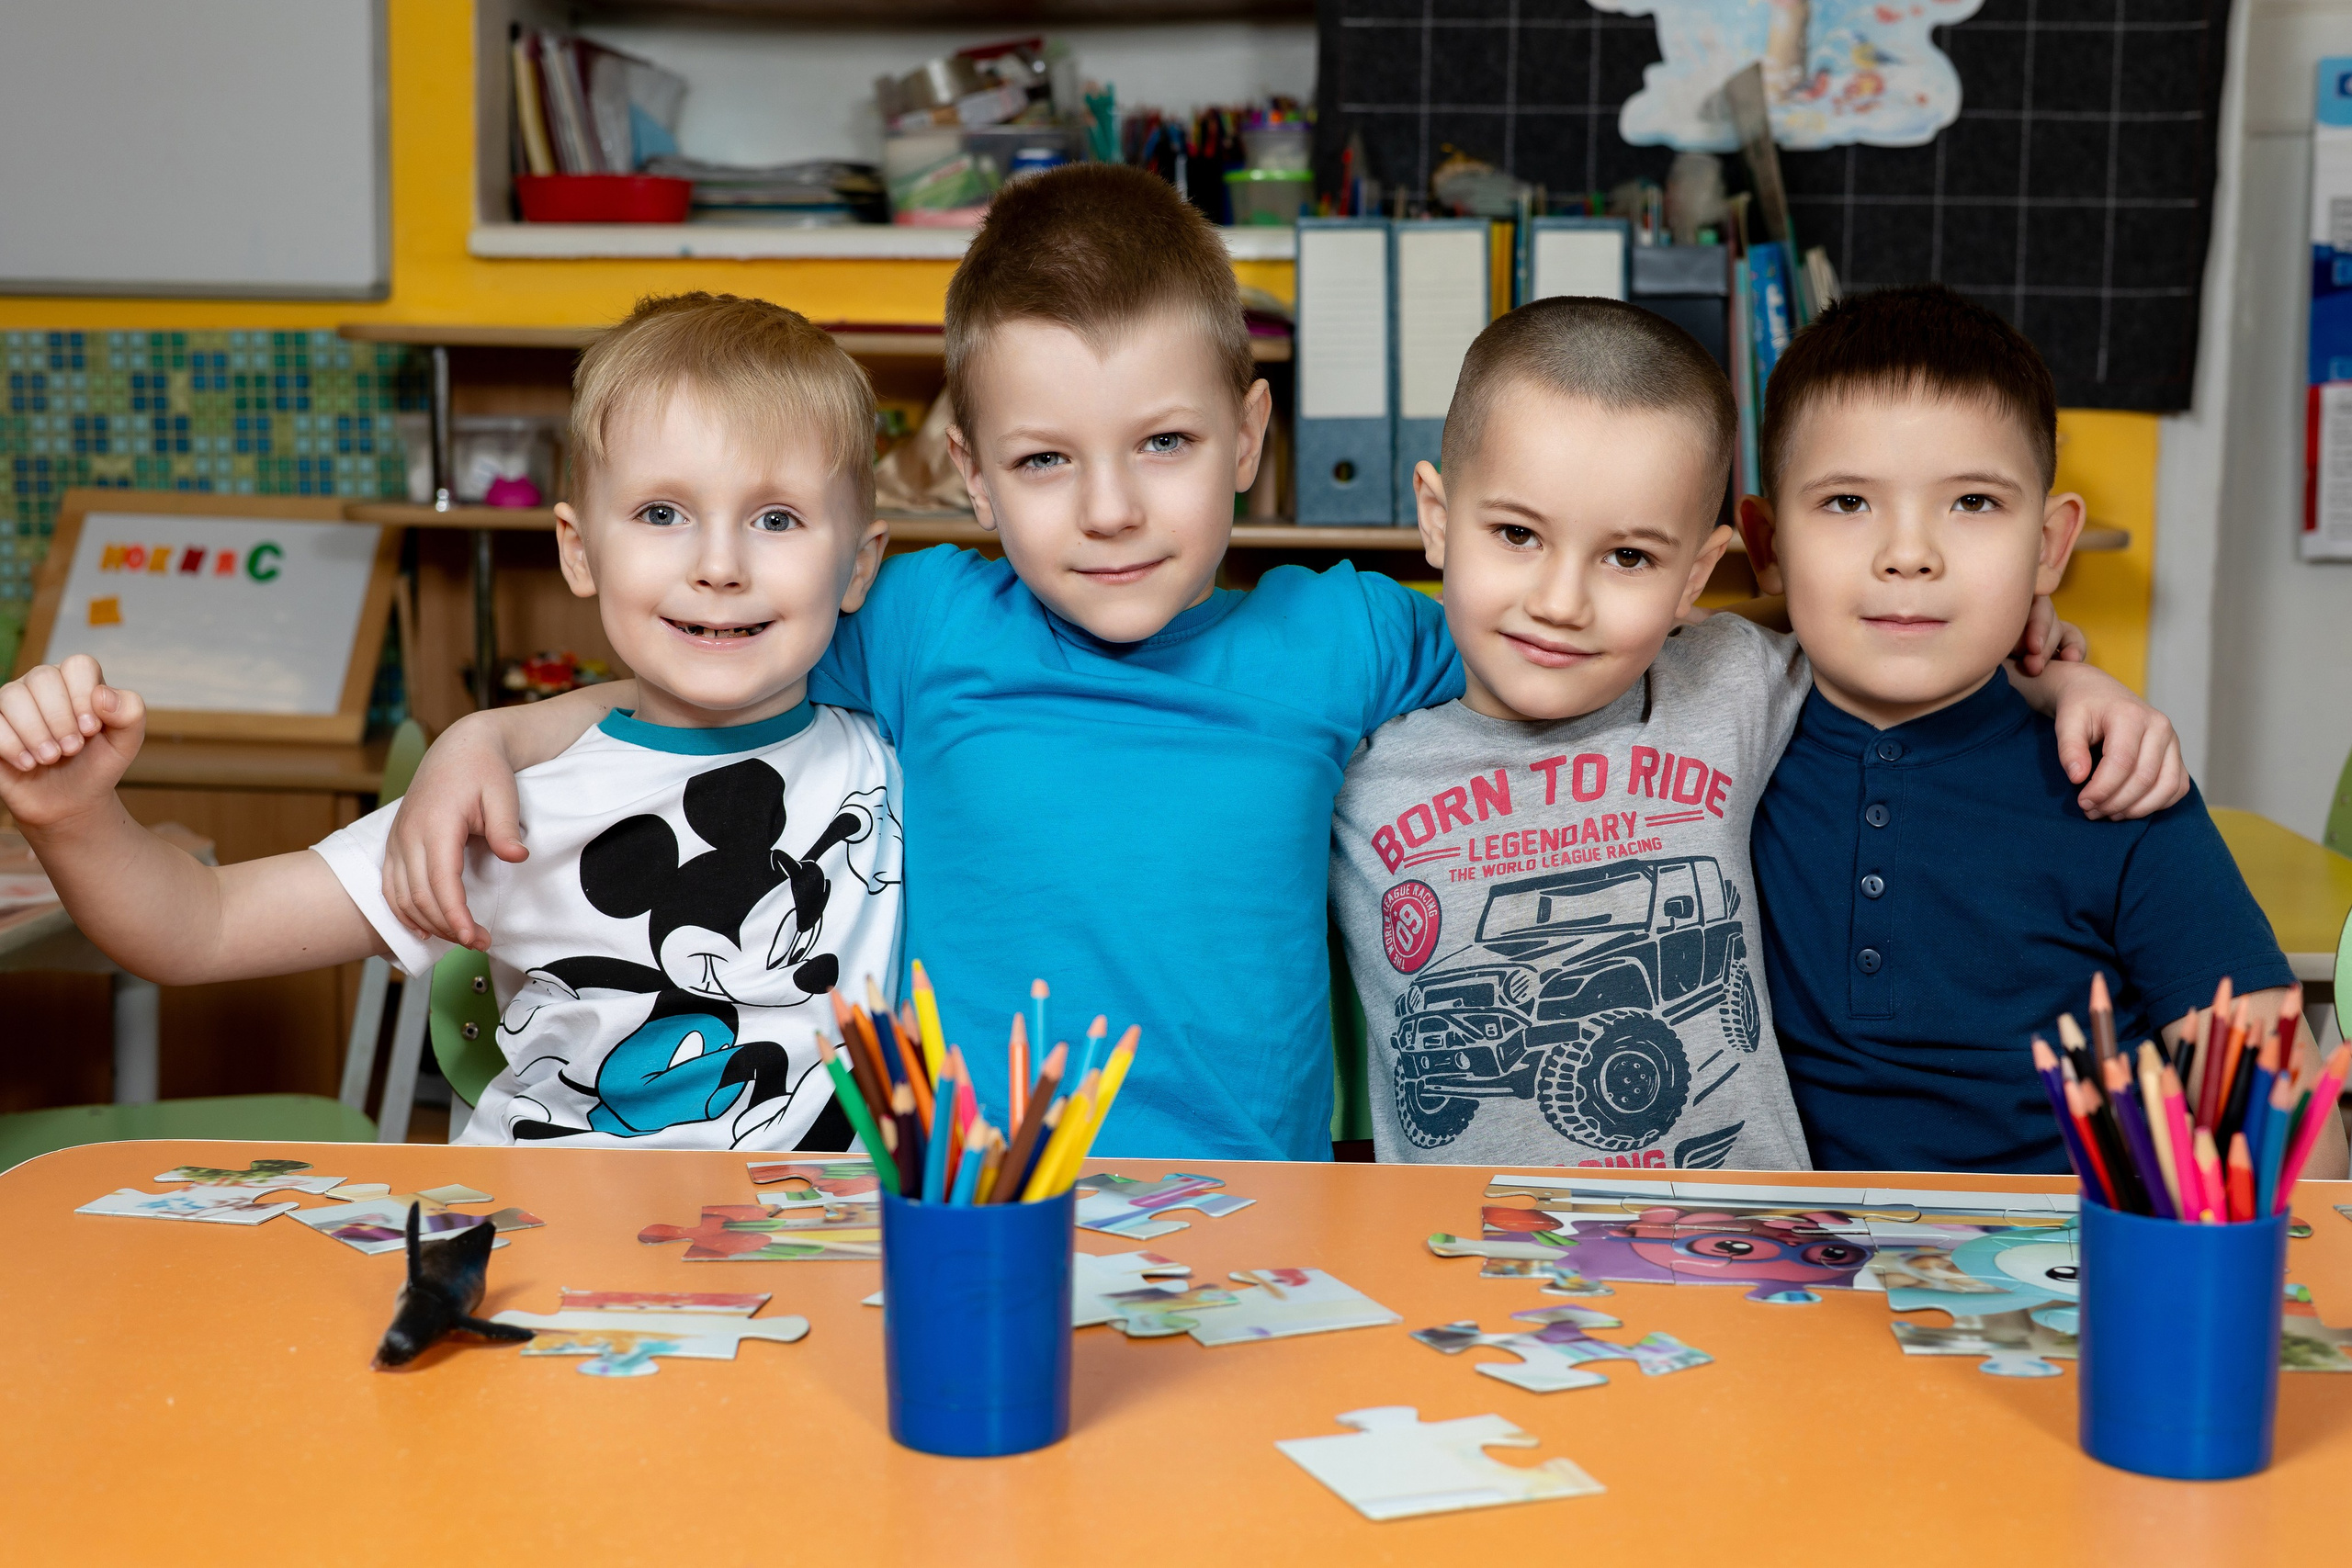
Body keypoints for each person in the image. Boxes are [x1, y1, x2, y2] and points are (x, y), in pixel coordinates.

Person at [375, 164, 1458, 1161]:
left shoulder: (1343, 635)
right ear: (973, 477)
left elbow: (1552, 639)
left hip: (1254, 1223)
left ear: (1250, 435)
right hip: (960, 1216)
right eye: (1043, 460)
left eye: (1164, 444)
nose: (1112, 511)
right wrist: (489, 734)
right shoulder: (927, 620)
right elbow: (709, 662)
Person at [0, 293, 901, 1151]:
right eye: (661, 513)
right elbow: (201, 928)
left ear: (858, 566)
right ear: (578, 550)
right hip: (556, 1234)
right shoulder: (498, 797)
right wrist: (72, 817)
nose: (718, 564)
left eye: (776, 518)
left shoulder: (906, 758)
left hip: (821, 1257)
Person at [1329, 296, 2187, 1170]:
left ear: (1697, 572)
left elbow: (1889, 621)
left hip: (1750, 1240)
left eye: (1628, 557)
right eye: (1516, 533)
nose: (1561, 602)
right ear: (1435, 516)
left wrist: (2057, 671)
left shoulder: (1723, 684)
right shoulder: (1350, 758)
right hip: (1474, 1260)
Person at [1743, 283, 2346, 1177]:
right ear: (1765, 545)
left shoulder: (2119, 785)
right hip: (1769, 1279)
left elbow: (2299, 1155)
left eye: (1973, 503)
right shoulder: (1706, 753)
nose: (1909, 554)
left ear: (2048, 547)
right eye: (1845, 502)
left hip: (2065, 1283)